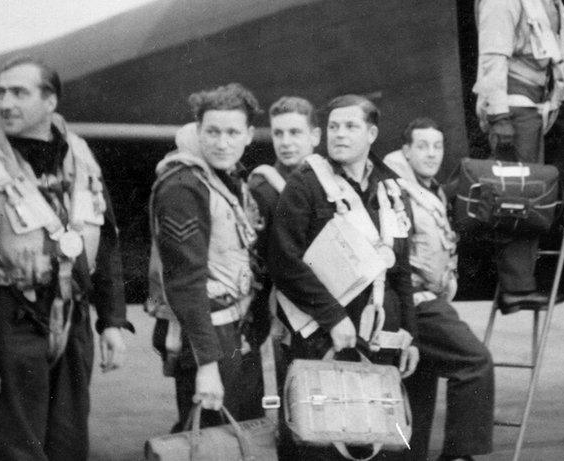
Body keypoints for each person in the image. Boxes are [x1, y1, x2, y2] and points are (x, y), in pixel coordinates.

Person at [0, 56, 131, 459]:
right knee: (16, 452)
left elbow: (105, 242)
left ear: (50, 102)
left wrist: (113, 322)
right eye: (1, 92)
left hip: (72, 320)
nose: (5, 103)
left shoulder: (83, 163)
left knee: (70, 446)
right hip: (8, 323)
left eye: (19, 92)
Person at [268, 94, 419, 460]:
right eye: (334, 126)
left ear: (371, 133)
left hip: (379, 334)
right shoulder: (306, 185)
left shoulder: (391, 189)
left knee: (375, 435)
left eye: (350, 126)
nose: (339, 134)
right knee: (319, 439)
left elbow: (399, 269)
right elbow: (283, 261)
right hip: (321, 334)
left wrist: (411, 334)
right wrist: (332, 317)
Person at [148, 83, 265, 430]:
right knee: (209, 439)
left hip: (235, 329)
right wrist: (207, 366)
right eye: (212, 131)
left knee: (240, 435)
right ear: (198, 132)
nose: (222, 142)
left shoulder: (225, 180)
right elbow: (185, 283)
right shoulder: (183, 187)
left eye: (232, 132)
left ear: (249, 134)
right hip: (208, 336)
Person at [472, 0, 564, 313]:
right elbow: (493, 59)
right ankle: (517, 288)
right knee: (519, 199)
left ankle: (522, 281)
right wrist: (499, 118)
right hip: (514, 109)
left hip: (535, 107)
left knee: (527, 194)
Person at [384, 118, 494, 461]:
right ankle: (460, 455)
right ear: (406, 150)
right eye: (422, 146)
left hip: (425, 299)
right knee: (475, 362)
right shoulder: (396, 189)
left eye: (437, 146)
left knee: (418, 390)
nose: (432, 154)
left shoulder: (426, 188)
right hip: (417, 301)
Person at [245, 96, 321, 456]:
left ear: (314, 136)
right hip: (284, 317)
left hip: (322, 311)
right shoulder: (264, 189)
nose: (286, 141)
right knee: (292, 407)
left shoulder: (324, 179)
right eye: (279, 133)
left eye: (295, 132)